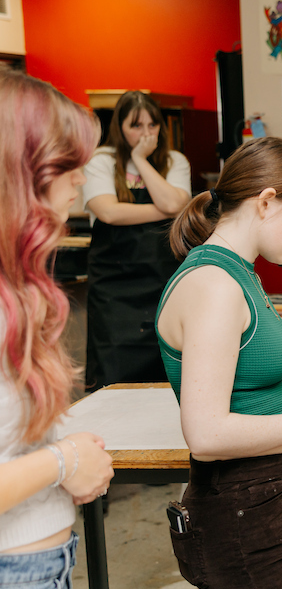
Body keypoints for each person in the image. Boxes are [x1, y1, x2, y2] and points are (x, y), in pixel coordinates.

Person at [154, 137, 282, 589]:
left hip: (261, 502)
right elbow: (207, 434)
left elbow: (239, 379)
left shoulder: (238, 274)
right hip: (243, 510)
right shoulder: (214, 284)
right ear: (265, 200)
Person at [0, 71, 114, 589]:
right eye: (68, 167)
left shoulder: (17, 291)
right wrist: (65, 462)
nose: (80, 185)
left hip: (30, 582)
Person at [82, 91, 191, 390]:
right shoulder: (100, 160)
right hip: (115, 285)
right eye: (136, 126)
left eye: (152, 125)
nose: (146, 134)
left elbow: (175, 204)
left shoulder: (174, 160)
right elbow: (108, 213)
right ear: (120, 127)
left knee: (166, 359)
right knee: (113, 361)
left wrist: (141, 160)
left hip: (162, 278)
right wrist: (164, 209)